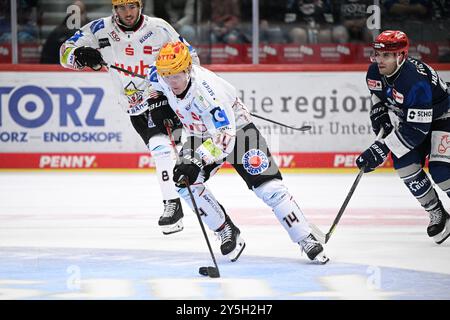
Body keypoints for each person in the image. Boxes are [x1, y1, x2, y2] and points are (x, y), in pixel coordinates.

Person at [146, 41, 329, 264]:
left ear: (187, 68)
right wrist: (156, 104)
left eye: (175, 75)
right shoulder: (159, 74)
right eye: (166, 75)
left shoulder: (209, 92)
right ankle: (226, 229)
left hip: (238, 131)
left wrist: (197, 159)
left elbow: (224, 139)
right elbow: (151, 85)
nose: (170, 81)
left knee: (269, 188)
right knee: (183, 182)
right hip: (198, 134)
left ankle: (305, 236)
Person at [60, 0, 201, 235]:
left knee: (161, 147)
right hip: (134, 107)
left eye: (132, 6)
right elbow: (64, 53)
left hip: (162, 98)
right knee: (168, 154)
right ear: (114, 9)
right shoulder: (99, 29)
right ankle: (189, 199)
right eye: (122, 8)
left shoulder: (159, 28)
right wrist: (81, 56)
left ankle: (172, 205)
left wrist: (179, 86)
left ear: (141, 6)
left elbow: (192, 59)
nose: (128, 13)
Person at [356, 30, 450, 244]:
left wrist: (381, 149)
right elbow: (377, 96)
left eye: (386, 56)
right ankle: (438, 213)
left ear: (401, 56)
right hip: (415, 120)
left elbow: (418, 130)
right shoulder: (374, 72)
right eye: (377, 54)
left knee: (441, 169)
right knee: (404, 163)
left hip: (444, 116)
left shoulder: (414, 81)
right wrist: (379, 113)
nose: (379, 60)